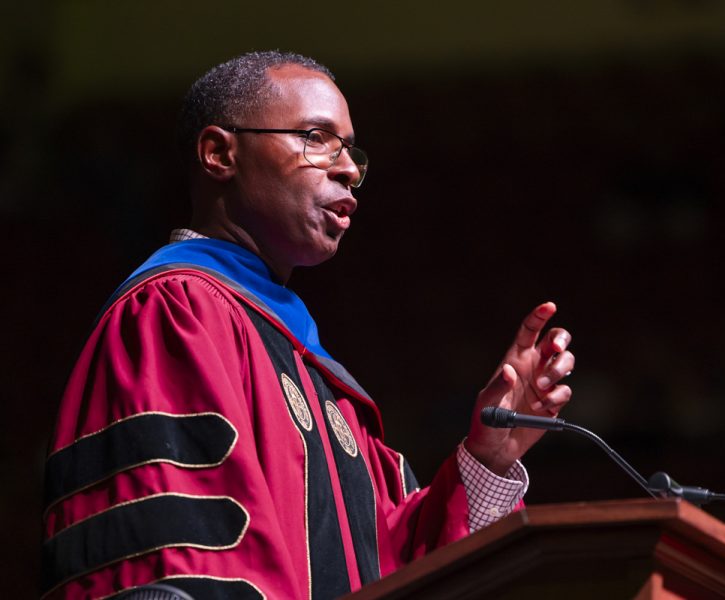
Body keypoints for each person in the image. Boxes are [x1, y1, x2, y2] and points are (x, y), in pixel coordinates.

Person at [41, 51, 575, 600]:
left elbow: (396, 568)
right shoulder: (177, 314)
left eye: (350, 151)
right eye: (316, 137)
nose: (347, 169)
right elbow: (179, 560)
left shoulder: (305, 365)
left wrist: (488, 459)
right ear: (219, 153)